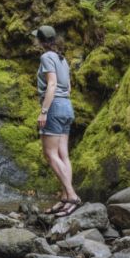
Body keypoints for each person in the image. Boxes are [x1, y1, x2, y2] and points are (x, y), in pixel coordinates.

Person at [31, 25, 80, 217]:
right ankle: (65, 198)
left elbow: (52, 84)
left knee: (50, 154)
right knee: (63, 154)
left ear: (41, 41)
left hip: (54, 107)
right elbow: (67, 88)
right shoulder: (62, 59)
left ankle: (72, 196)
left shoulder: (46, 57)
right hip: (67, 106)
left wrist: (44, 111)